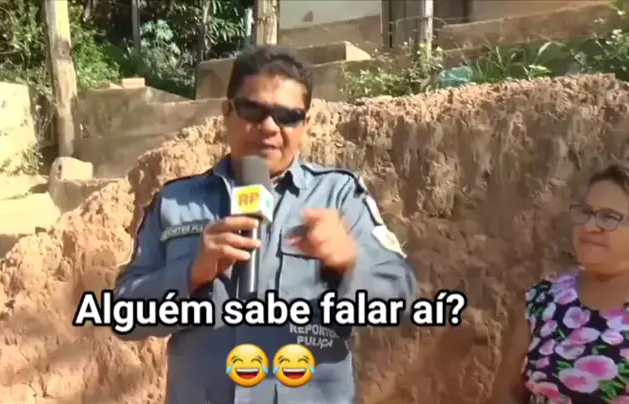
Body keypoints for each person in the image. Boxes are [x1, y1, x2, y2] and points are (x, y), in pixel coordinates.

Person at [112, 45, 418, 404]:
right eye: (253, 110)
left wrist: (352, 262)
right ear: (227, 112)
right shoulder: (175, 202)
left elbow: (403, 298)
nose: (269, 127)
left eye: (288, 116)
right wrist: (192, 274)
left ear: (305, 125)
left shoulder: (340, 196)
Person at [491, 162, 629, 404]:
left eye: (608, 217)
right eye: (586, 212)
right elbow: (506, 391)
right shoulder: (542, 299)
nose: (589, 226)